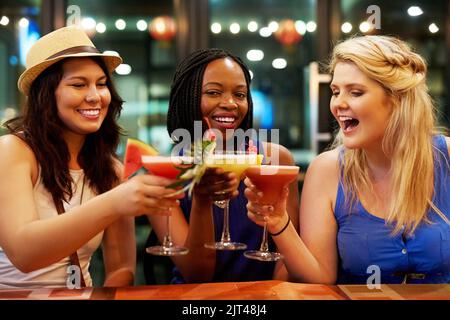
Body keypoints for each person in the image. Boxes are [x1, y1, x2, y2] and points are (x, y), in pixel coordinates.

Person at [245, 35, 450, 284]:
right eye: (335, 92)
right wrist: (278, 221)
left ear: (397, 99)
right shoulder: (326, 170)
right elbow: (319, 278)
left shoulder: (445, 156)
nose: (338, 104)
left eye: (355, 92)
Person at [0, 26, 183, 288]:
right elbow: (24, 253)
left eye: (101, 83)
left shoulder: (108, 168)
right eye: (78, 84)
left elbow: (121, 267)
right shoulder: (13, 150)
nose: (95, 96)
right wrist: (114, 202)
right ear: (46, 94)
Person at [146, 48, 299, 283]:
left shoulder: (276, 160)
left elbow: (288, 261)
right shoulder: (166, 172)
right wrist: (201, 200)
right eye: (214, 92)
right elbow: (197, 273)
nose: (230, 103)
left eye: (240, 95)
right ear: (188, 97)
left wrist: (273, 294)